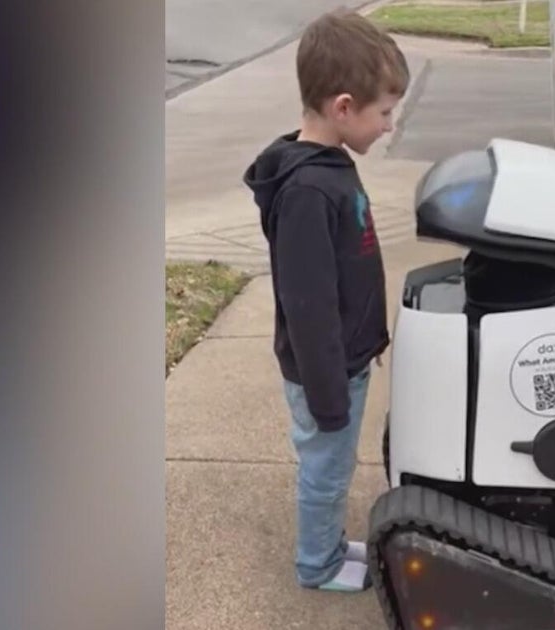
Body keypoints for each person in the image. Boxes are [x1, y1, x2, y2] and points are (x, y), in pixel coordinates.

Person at [241, 8, 409, 592]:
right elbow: (308, 307)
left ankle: (332, 546)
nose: (388, 125)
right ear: (343, 107)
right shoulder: (308, 191)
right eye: (383, 113)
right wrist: (329, 396)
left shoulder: (329, 165)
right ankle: (319, 565)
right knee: (327, 470)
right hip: (326, 374)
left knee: (334, 466)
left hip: (343, 365)